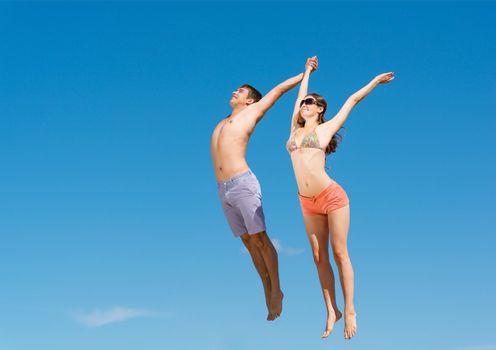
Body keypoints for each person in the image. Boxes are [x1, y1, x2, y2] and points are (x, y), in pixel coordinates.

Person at [287, 56, 394, 338]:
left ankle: (349, 309)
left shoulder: (326, 128)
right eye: (303, 102)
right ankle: (331, 309)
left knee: (338, 252)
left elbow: (352, 100)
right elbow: (298, 95)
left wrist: (375, 81)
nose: (304, 104)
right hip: (306, 201)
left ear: (320, 109)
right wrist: (307, 71)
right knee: (318, 256)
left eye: (310, 102)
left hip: (332, 197)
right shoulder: (294, 130)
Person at [211, 65, 314, 321]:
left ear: (250, 100)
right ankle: (266, 288)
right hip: (223, 190)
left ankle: (276, 289)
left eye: (241, 91)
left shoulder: (252, 113)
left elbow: (278, 90)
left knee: (259, 238)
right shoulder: (223, 121)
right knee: (247, 243)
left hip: (242, 184)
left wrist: (305, 73)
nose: (235, 91)